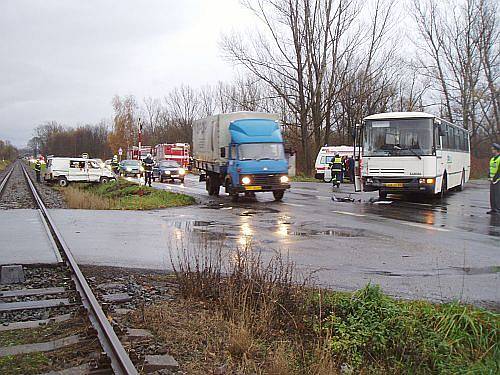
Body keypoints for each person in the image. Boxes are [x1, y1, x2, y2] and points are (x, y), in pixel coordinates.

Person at [487, 143, 500, 214]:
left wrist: (495, 178)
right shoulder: (492, 159)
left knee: (497, 195)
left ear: (497, 150)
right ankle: (493, 209)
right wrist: (489, 175)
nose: (492, 150)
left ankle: (497, 209)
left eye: (493, 149)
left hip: (498, 180)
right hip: (492, 179)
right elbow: (490, 168)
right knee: (492, 195)